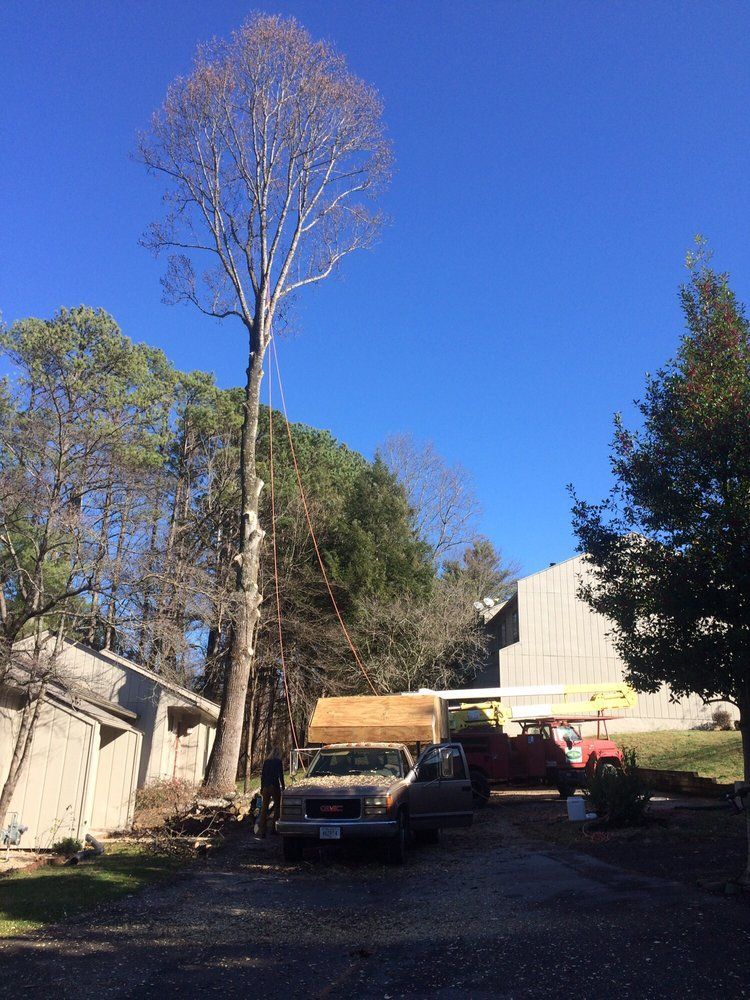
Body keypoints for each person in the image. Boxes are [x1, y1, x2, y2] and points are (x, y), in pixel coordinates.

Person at [258, 749, 285, 837]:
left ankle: (262, 831)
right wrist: (283, 787)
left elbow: (263, 776)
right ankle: (273, 828)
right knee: (277, 807)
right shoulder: (278, 762)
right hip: (274, 786)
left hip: (266, 786)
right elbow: (281, 775)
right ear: (278, 754)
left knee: (264, 809)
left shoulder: (266, 762)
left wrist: (262, 788)